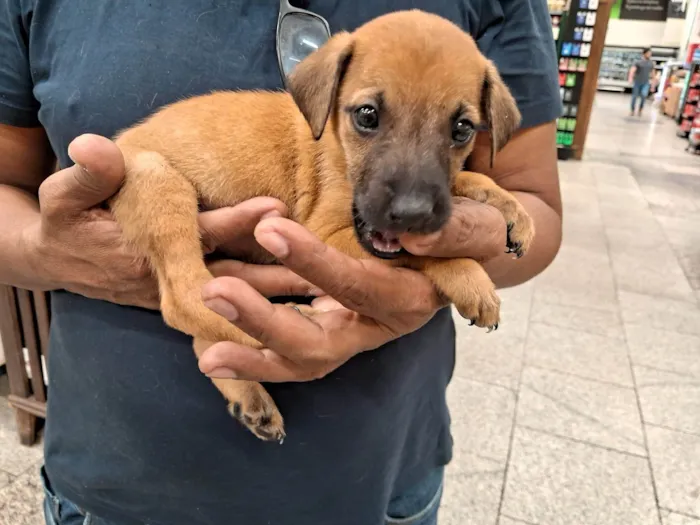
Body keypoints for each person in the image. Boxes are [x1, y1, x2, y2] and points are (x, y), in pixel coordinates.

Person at [0, 1, 562, 524]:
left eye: (459, 130)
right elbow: (328, 239)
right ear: (327, 103)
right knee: (172, 230)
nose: (414, 199)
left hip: (383, 468)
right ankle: (195, 311)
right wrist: (448, 268)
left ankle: (223, 354)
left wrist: (483, 216)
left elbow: (533, 203)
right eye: (368, 117)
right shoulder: (326, 129)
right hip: (118, 472)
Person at [629, 47, 654, 117]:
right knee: (634, 96)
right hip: (637, 82)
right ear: (644, 54)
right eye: (648, 53)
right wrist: (630, 78)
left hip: (646, 83)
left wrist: (653, 84)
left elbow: (653, 73)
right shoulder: (638, 62)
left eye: (650, 53)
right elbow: (632, 70)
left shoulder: (651, 63)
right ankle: (632, 110)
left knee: (644, 95)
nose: (650, 55)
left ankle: (640, 109)